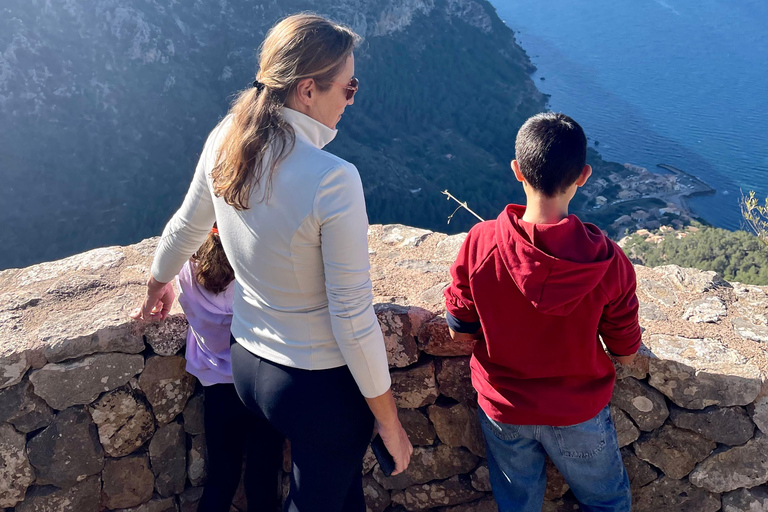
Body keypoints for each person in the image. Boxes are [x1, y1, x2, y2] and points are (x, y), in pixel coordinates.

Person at [132, 13, 412, 512]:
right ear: (307, 90)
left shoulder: (227, 136)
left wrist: (159, 282)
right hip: (313, 385)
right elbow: (351, 317)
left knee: (342, 499)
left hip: (247, 368)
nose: (352, 99)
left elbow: (187, 226)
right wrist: (390, 425)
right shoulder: (333, 178)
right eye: (348, 88)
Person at [443, 112, 640, 512]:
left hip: (504, 409)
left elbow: (459, 326)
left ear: (517, 170)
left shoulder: (481, 245)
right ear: (583, 176)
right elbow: (625, 349)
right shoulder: (606, 261)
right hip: (578, 412)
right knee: (606, 503)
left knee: (518, 505)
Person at [177, 225, 283, 511]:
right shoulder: (258, 270)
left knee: (221, 479)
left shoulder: (186, 268)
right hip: (262, 382)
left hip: (216, 385)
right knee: (262, 479)